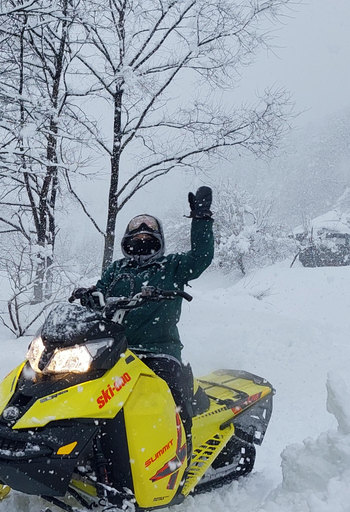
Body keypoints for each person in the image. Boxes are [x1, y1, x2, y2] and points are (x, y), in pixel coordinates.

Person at [73, 186, 214, 476]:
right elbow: (101, 291)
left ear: (158, 241)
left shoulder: (173, 265)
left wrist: (201, 219)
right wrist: (89, 295)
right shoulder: (117, 269)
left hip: (159, 350)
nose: (141, 241)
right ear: (127, 242)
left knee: (170, 396)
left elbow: (201, 257)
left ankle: (179, 458)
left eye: (148, 238)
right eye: (136, 238)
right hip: (114, 350)